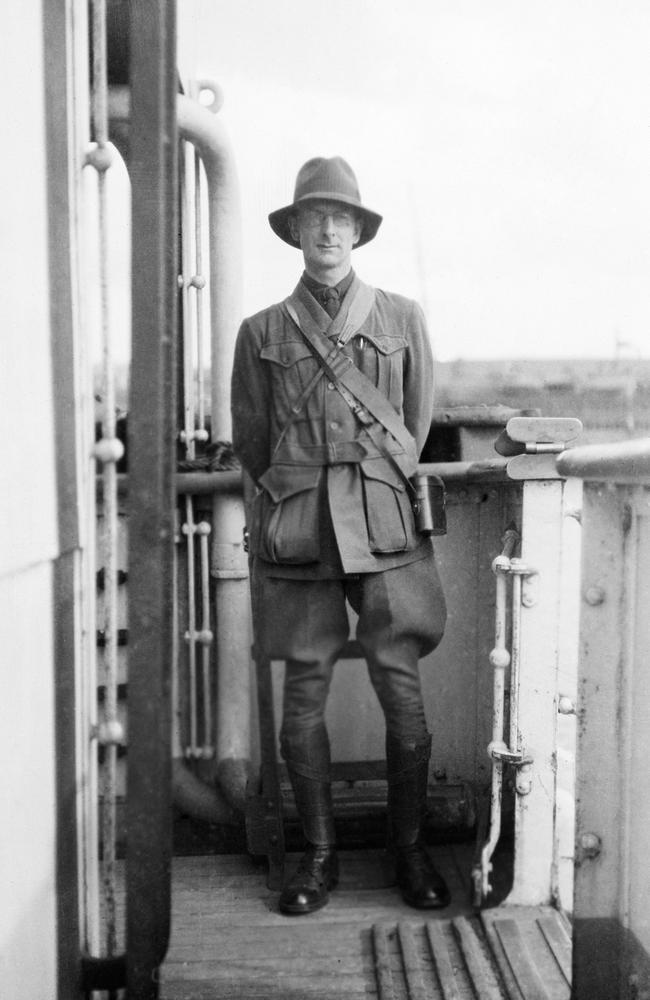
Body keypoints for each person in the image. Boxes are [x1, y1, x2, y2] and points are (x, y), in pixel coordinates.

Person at [231, 156, 449, 916]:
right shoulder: (260, 331)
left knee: (404, 693)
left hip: (385, 525)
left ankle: (408, 848)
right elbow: (253, 443)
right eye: (312, 217)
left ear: (358, 230)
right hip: (299, 531)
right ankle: (319, 857)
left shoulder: (401, 317)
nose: (326, 228)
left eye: (341, 217)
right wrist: (299, 489)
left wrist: (376, 479)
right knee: (303, 700)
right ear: (294, 231)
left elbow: (414, 423)